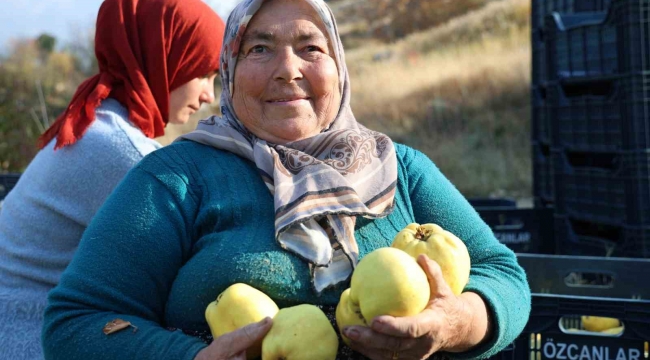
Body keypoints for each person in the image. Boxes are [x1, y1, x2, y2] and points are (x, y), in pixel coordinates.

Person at [42, 0, 531, 359]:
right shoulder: (175, 179)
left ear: (338, 66)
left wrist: (454, 323)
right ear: (229, 71)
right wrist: (190, 357)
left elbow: (503, 275)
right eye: (260, 48)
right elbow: (77, 323)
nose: (288, 70)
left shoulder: (402, 169)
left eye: (310, 47)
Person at [0, 0, 225, 358]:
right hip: (28, 334)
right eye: (202, 73)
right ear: (164, 56)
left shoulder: (101, 122)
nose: (208, 95)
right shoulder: (123, 152)